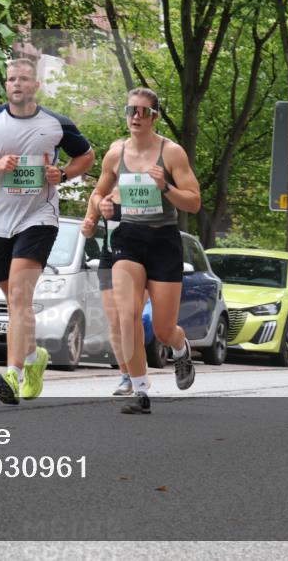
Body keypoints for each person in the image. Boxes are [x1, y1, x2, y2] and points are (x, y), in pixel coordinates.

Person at [0, 58, 95, 405]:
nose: (17, 84)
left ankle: (12, 375)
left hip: (39, 219)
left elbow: (87, 157)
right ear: (7, 85)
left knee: (19, 298)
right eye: (11, 79)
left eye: (24, 79)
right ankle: (35, 358)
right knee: (19, 303)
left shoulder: (56, 124)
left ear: (36, 85)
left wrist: (62, 175)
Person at [85, 87, 201, 414]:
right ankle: (139, 390)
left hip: (163, 240)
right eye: (131, 110)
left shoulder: (172, 153)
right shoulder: (115, 153)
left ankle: (180, 349)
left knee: (164, 329)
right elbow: (97, 194)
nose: (136, 116)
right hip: (128, 238)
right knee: (127, 314)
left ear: (155, 117)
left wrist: (166, 187)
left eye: (143, 111)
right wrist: (100, 207)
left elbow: (193, 201)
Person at [82, 185, 133, 395]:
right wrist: (87, 227)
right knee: (115, 322)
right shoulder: (102, 192)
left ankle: (137, 371)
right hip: (109, 259)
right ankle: (126, 376)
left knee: (129, 319)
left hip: (138, 259)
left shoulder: (143, 186)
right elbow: (89, 227)